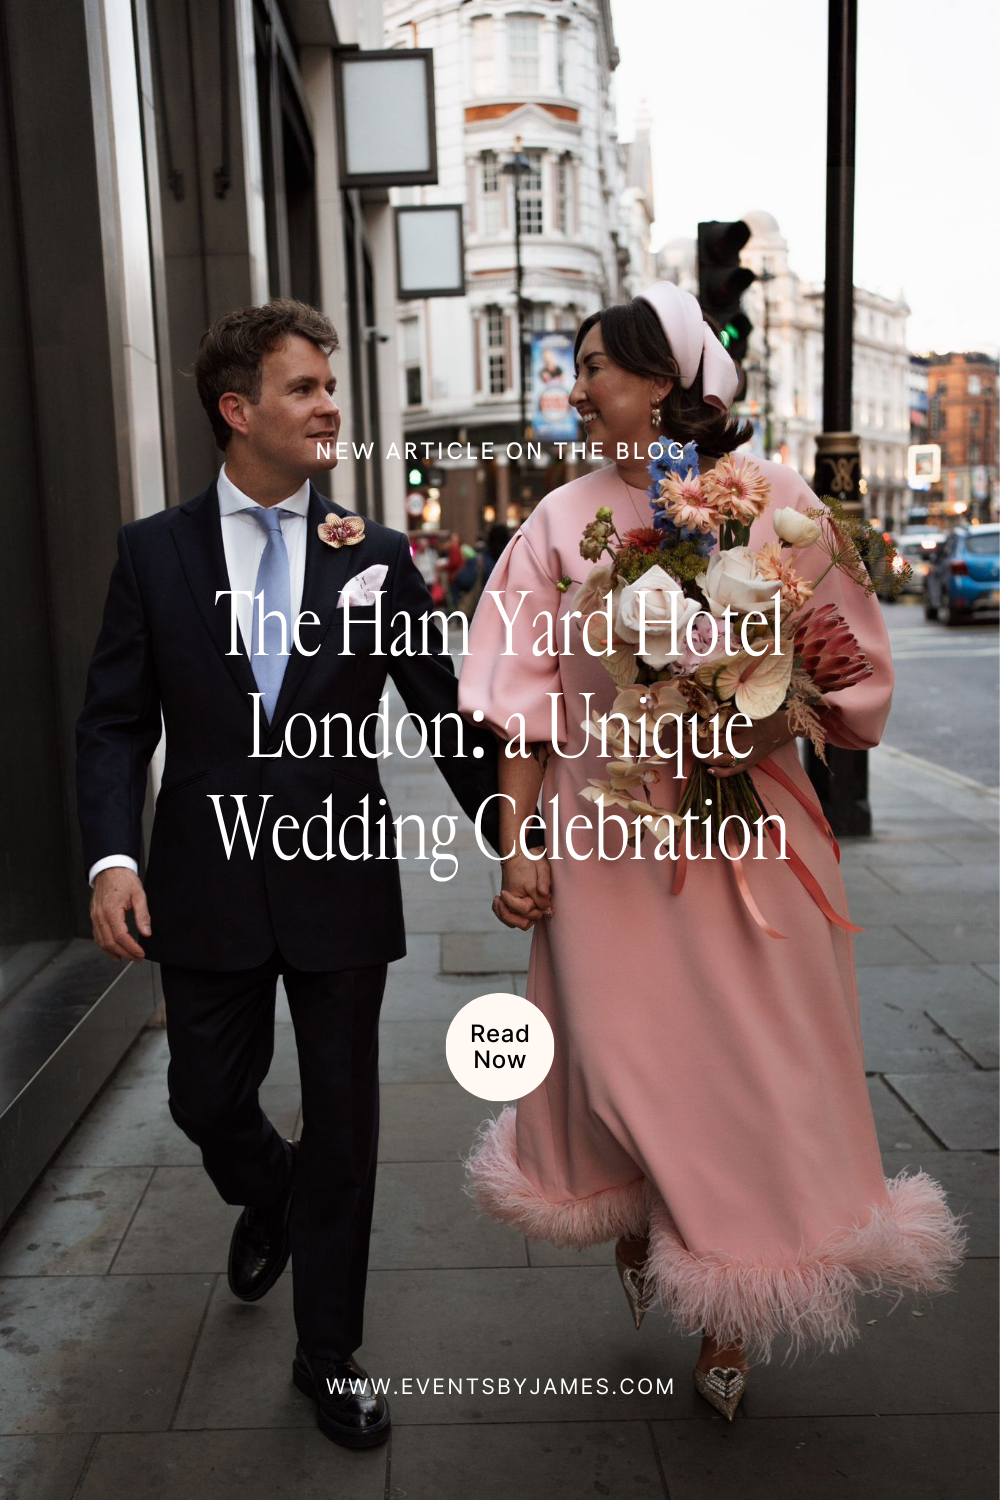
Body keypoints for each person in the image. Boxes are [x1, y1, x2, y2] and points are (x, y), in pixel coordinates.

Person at [457, 282, 967, 1420]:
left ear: (668, 380)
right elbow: (524, 705)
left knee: (742, 1068)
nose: (576, 387)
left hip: (750, 832)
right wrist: (518, 841)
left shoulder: (775, 504)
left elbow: (848, 681)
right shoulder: (556, 522)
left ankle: (730, 1316)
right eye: (576, 366)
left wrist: (756, 698)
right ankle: (639, 1213)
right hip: (607, 835)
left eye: (597, 365)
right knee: (615, 1055)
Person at [75, 299, 503, 1450]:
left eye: (328, 385)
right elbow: (113, 724)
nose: (329, 406)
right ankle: (269, 1191)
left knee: (348, 1121)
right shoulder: (150, 554)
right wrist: (112, 855)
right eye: (306, 388)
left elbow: (443, 715)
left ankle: (331, 1353)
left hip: (338, 884)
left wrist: (522, 836)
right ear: (238, 410)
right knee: (204, 1098)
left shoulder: (375, 555)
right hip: (201, 882)